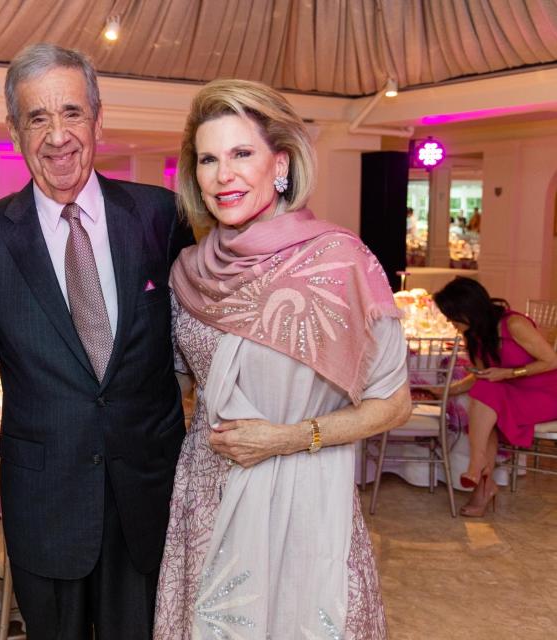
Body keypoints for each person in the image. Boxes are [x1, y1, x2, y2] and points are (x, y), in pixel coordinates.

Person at [154, 79, 412, 639]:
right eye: (208, 159)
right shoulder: (188, 273)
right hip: (207, 498)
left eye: (242, 154)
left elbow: (394, 404)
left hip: (303, 496)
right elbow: (177, 389)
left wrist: (289, 438)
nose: (224, 175)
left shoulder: (339, 263)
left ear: (281, 164)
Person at [0, 43, 194, 639]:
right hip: (46, 498)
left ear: (98, 119)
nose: (57, 135)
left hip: (146, 492)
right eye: (38, 118)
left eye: (71, 113)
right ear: (15, 131)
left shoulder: (161, 216)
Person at [433, 277, 557, 516]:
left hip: (546, 392)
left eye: (453, 316)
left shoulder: (514, 324)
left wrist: (510, 373)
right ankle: (482, 481)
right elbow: (482, 376)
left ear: (468, 309)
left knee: (488, 397)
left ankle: (479, 475)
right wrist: (446, 390)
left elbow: (552, 360)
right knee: (486, 393)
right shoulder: (476, 334)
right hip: (509, 392)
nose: (451, 322)